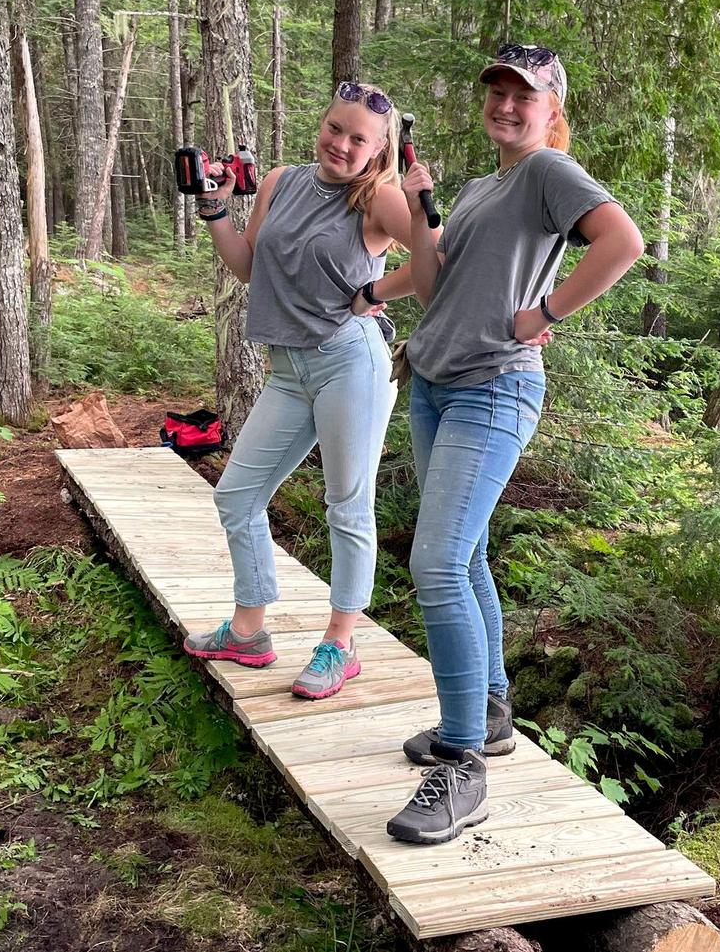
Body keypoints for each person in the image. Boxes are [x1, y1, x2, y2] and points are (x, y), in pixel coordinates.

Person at [385, 45, 645, 844]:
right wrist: (423, 216)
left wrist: (549, 313)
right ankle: (490, 711)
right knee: (461, 558)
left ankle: (462, 763)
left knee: (434, 563)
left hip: (494, 386)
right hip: (433, 381)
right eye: (496, 91)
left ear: (550, 108)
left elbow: (622, 241)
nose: (506, 104)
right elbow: (438, 286)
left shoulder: (545, 172)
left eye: (523, 94)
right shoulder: (478, 186)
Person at [184, 81, 436, 701]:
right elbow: (249, 267)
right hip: (288, 370)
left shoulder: (377, 198)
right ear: (320, 125)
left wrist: (377, 292)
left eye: (359, 139)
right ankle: (249, 629)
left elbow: (438, 260)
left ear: (379, 150)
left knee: (347, 505)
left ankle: (340, 642)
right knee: (237, 496)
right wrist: (217, 210)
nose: (341, 145)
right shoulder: (280, 181)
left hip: (349, 363)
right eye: (335, 129)